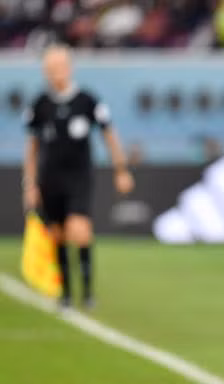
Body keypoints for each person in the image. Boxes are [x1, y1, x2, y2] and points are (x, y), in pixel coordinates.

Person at [22, 44, 134, 308]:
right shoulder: (40, 105)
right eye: (50, 69)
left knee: (80, 230)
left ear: (69, 68)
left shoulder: (87, 101)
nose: (55, 73)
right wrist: (30, 184)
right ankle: (66, 293)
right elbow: (32, 148)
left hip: (79, 177)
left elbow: (109, 134)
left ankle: (87, 291)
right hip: (50, 178)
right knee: (57, 234)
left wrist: (121, 169)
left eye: (60, 67)